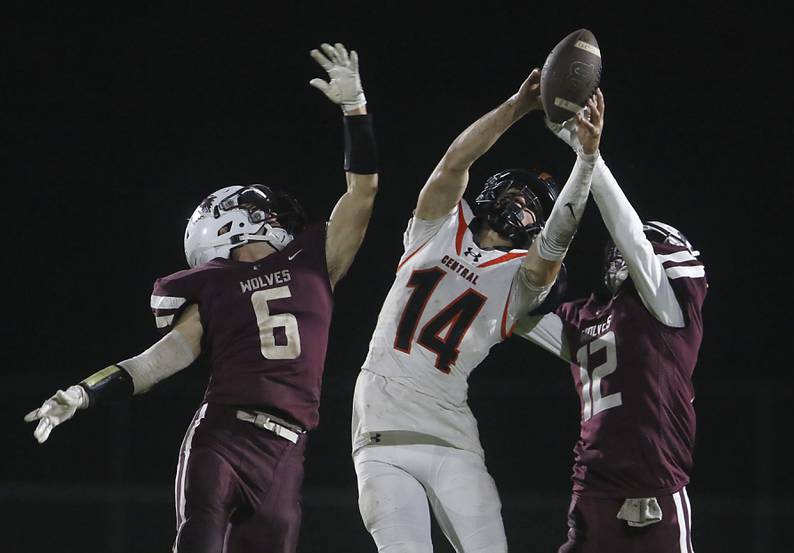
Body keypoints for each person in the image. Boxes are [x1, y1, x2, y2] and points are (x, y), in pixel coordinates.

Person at [24, 42, 378, 553]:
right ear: (227, 221)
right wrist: (84, 392)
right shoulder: (214, 285)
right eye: (260, 209)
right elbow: (154, 364)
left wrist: (355, 109)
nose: (275, 216)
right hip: (223, 436)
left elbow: (363, 191)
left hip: (288, 448)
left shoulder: (315, 260)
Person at [351, 65, 605, 553]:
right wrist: (516, 106)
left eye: (535, 202)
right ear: (491, 192)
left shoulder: (521, 279)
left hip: (452, 437)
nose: (522, 201)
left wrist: (587, 160)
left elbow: (557, 242)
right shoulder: (439, 226)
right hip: (380, 429)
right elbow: (453, 164)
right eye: (516, 189)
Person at [515, 90, 706, 553]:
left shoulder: (664, 311)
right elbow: (513, 315)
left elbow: (629, 232)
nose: (622, 253)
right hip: (594, 490)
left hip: (655, 491)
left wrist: (589, 156)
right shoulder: (586, 315)